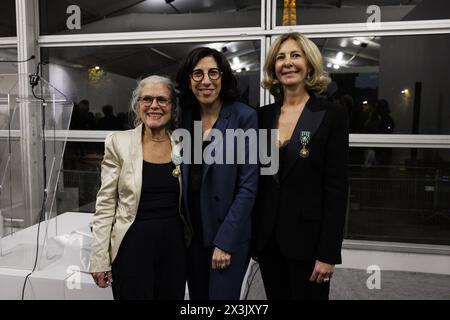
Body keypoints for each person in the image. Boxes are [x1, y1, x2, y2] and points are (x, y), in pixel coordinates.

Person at [252, 32, 349, 300]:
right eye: (281, 57)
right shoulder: (261, 117)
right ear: (274, 67)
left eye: (296, 55)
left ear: (309, 64)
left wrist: (328, 253)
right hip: (269, 242)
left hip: (310, 243)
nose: (288, 63)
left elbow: (337, 190)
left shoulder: (331, 114)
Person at [89, 75, 190, 300]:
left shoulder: (184, 145)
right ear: (138, 106)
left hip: (174, 250)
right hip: (131, 248)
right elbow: (105, 205)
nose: (154, 106)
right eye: (147, 99)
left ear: (172, 107)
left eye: (162, 100)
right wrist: (99, 259)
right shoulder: (118, 142)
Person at [176, 47, 258, 300]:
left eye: (213, 72)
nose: (206, 81)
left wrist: (225, 241)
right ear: (189, 81)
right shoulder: (185, 117)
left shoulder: (244, 117)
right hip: (193, 236)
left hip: (226, 234)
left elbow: (248, 187)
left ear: (223, 77)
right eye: (197, 74)